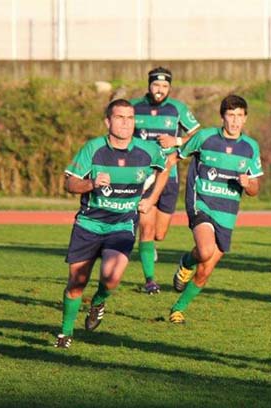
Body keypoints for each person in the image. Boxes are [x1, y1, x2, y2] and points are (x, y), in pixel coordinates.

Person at [55, 99, 165, 348]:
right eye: (120, 117)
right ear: (108, 121)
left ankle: (98, 302)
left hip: (122, 225)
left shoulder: (147, 150)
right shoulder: (93, 149)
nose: (126, 123)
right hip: (89, 224)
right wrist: (91, 183)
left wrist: (151, 199)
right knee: (76, 283)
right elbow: (70, 183)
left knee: (111, 277)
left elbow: (165, 167)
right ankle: (65, 333)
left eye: (130, 118)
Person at [167, 95, 263, 324]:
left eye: (239, 116)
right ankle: (187, 262)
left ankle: (178, 309)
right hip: (201, 203)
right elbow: (176, 157)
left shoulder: (251, 147)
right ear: (222, 117)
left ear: (245, 118)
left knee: (206, 271)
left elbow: (255, 188)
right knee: (206, 249)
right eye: (231, 115)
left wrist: (247, 183)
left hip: (227, 213)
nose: (235, 121)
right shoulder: (204, 137)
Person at [130, 66, 201, 295]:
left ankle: (150, 249)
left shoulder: (177, 109)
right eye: (156, 85)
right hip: (144, 177)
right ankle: (150, 280)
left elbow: (196, 134)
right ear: (148, 85)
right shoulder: (134, 108)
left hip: (169, 177)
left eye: (164, 86)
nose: (159, 90)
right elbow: (119, 130)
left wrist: (176, 140)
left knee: (160, 234)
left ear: (169, 87)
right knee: (146, 229)